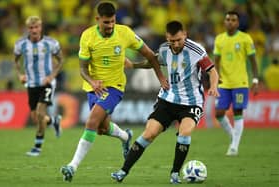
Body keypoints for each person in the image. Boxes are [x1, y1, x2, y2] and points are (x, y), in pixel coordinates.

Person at [60, 2, 168, 182]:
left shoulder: (124, 33)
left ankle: (72, 166)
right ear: (97, 20)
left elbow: (151, 55)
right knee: (102, 128)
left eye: (112, 21)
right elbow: (82, 69)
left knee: (92, 121)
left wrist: (160, 77)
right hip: (93, 88)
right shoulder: (87, 36)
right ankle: (125, 136)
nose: (110, 26)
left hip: (115, 87)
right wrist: (92, 81)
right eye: (106, 22)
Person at [111, 20, 219, 184]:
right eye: (171, 41)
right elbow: (153, 62)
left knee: (185, 132)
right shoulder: (163, 49)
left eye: (178, 40)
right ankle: (122, 171)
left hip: (191, 102)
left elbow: (212, 71)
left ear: (185, 35)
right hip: (168, 99)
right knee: (149, 134)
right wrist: (133, 65)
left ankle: (175, 173)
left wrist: (213, 86)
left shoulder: (196, 50)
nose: (175, 44)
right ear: (167, 38)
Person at [14, 16, 63, 156]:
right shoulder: (20, 44)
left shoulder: (51, 43)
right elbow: (16, 60)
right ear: (27, 29)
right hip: (31, 83)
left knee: (41, 113)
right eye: (31, 28)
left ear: (40, 28)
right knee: (36, 118)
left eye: (36, 27)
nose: (34, 30)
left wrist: (52, 77)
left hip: (46, 83)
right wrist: (20, 75)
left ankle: (37, 147)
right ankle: (53, 121)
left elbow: (60, 60)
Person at [213, 11, 259, 156]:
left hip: (240, 82)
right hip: (224, 83)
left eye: (233, 20)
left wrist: (255, 80)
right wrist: (215, 78)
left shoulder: (245, 38)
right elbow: (216, 61)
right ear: (224, 22)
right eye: (228, 19)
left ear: (238, 23)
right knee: (219, 113)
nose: (230, 22)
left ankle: (234, 147)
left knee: (238, 111)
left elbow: (253, 61)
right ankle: (234, 136)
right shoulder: (219, 39)